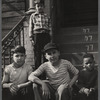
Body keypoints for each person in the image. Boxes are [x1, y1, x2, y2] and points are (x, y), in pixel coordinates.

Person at [29, 0, 51, 69]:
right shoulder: (33, 16)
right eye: (38, 6)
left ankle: (45, 72)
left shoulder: (46, 16)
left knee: (45, 53)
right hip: (37, 35)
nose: (40, 7)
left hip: (45, 35)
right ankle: (38, 72)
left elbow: (49, 26)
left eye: (41, 6)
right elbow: (31, 27)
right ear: (35, 7)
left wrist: (50, 36)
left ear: (44, 7)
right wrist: (31, 37)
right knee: (37, 54)